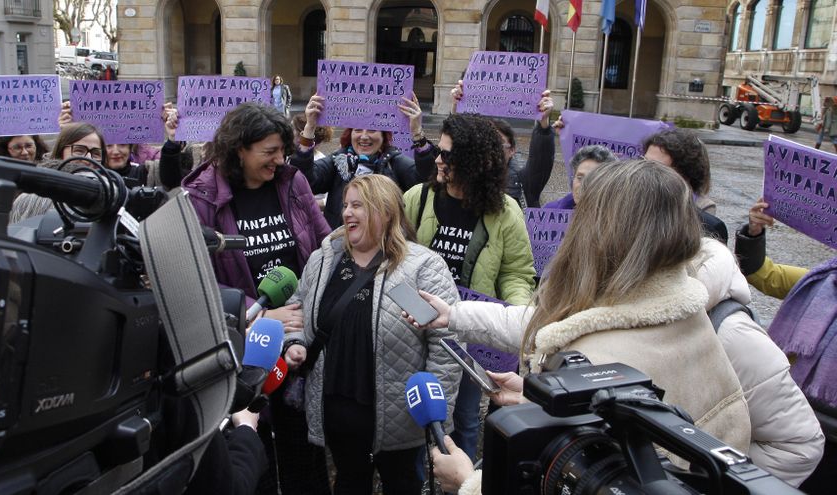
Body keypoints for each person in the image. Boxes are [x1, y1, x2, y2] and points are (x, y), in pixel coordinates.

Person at [405, 160, 751, 494]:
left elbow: (577, 476)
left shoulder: (599, 359)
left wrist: (468, 483)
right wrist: (455, 316)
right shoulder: (680, 306)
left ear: (603, 232)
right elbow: (550, 324)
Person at [181, 102, 333, 495]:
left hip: (300, 339)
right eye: (269, 152)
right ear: (239, 150)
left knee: (303, 448)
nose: (279, 159)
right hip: (244, 348)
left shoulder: (292, 181)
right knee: (253, 449)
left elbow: (323, 243)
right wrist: (259, 312)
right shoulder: (199, 198)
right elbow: (192, 281)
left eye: (282, 150)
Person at [282, 174, 462, 495]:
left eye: (358, 206)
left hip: (398, 416)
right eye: (345, 205)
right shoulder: (324, 259)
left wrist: (435, 412)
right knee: (349, 482)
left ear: (385, 212)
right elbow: (294, 311)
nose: (347, 213)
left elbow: (446, 343)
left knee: (402, 484)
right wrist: (295, 343)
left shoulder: (421, 267)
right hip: (335, 407)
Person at [403, 113, 536, 463]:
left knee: (463, 416)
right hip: (417, 324)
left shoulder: (505, 211)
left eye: (446, 154)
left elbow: (517, 273)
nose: (437, 160)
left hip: (469, 330)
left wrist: (516, 315)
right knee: (416, 407)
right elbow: (395, 258)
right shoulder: (418, 198)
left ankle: (459, 477)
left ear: (473, 162)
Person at [692, 237, 823, 487]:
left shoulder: (734, 336)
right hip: (790, 400)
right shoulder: (823, 280)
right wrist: (754, 234)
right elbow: (766, 274)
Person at [291, 94, 435, 228]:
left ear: (384, 136)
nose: (364, 136)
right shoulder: (338, 161)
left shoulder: (394, 163)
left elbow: (427, 180)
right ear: (350, 134)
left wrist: (417, 132)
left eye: (372, 130)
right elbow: (303, 180)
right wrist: (309, 128)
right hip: (341, 245)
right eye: (358, 130)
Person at [450, 82, 556, 208]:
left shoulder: (525, 181)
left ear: (512, 150)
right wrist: (457, 108)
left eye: (499, 142)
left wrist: (543, 124)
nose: (492, 147)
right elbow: (454, 148)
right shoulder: (469, 176)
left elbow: (541, 159)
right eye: (488, 141)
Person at [643, 128, 728, 243]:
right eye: (643, 162)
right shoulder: (628, 205)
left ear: (684, 177)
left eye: (655, 167)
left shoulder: (706, 225)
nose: (642, 171)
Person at [543, 144, 616, 209]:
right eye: (580, 178)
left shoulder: (622, 219)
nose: (583, 185)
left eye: (593, 179)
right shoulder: (549, 212)